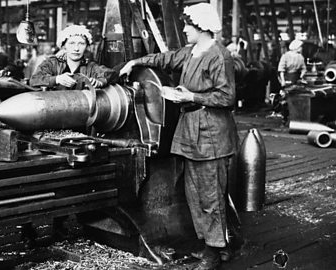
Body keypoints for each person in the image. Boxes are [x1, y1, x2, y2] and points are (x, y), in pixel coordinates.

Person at [120, 3, 238, 270]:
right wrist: (136, 61)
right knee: (195, 192)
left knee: (210, 193)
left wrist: (190, 96)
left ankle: (214, 251)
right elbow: (165, 59)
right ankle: (217, 245)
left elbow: (227, 97)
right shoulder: (191, 52)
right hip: (191, 128)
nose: (184, 30)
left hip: (211, 132)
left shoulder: (219, 56)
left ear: (202, 27)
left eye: (188, 26)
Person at [30, 25, 118, 90]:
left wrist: (101, 81)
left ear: (87, 46)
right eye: (72, 43)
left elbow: (113, 75)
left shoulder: (91, 67)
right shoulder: (52, 63)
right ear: (64, 46)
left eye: (81, 44)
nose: (76, 49)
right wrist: (56, 79)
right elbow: (34, 80)